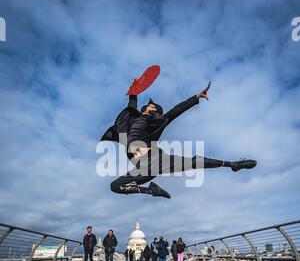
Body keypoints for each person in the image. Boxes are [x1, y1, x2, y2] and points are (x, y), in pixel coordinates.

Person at [100, 80, 257, 199]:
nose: (149, 106)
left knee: (195, 162)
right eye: (148, 106)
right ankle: (152, 190)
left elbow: (176, 111)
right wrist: (134, 90)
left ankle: (233, 164)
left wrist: (195, 98)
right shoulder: (132, 121)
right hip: (142, 167)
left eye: (152, 107)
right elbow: (131, 105)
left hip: (157, 159)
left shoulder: (155, 123)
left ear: (156, 112)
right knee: (115, 186)